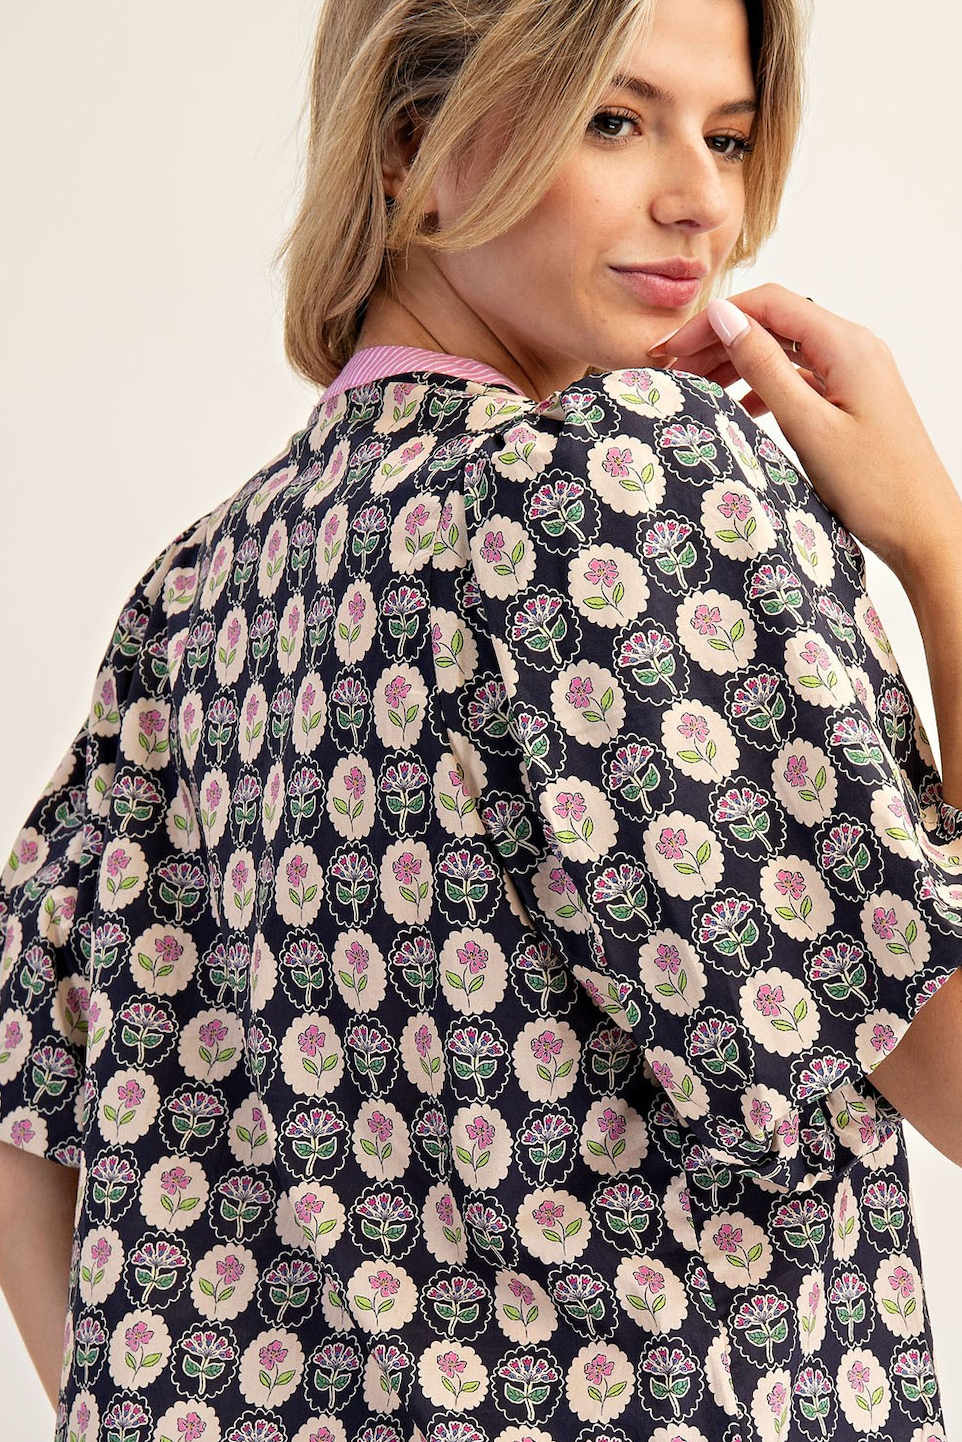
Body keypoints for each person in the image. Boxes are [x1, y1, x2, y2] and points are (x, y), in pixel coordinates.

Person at [2, 0, 962, 1439]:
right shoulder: (619, 487)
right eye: (612, 118)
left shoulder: (201, 582)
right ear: (411, 149)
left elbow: (33, 1116)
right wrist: (939, 553)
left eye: (730, 133)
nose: (701, 197)